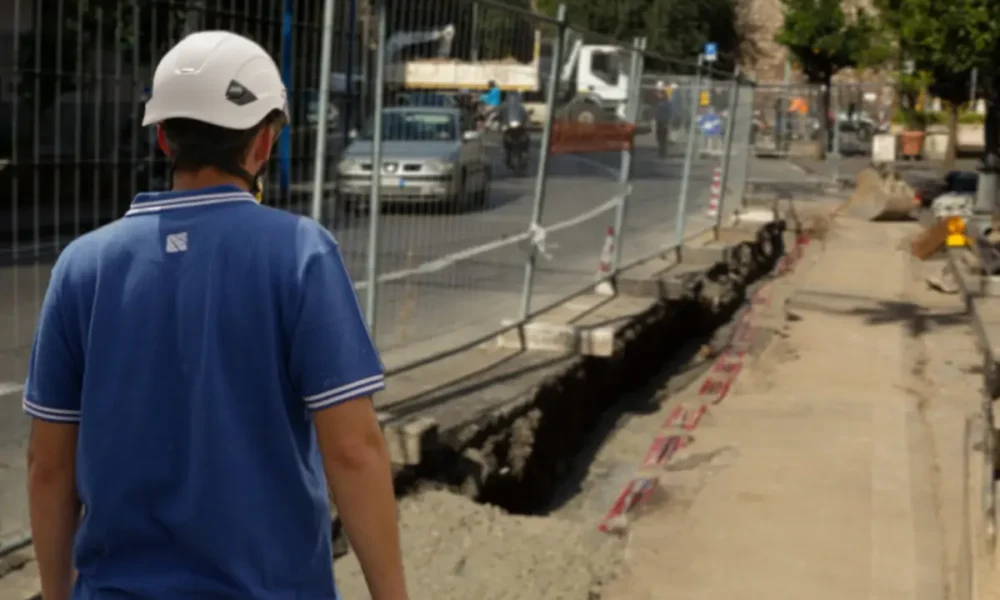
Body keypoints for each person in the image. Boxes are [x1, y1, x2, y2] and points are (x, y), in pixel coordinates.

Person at [23, 30, 409, 600]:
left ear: (162, 140)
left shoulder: (82, 266)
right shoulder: (300, 253)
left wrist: (58, 593)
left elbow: (48, 467)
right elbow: (353, 451)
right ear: (263, 144)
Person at [655, 85, 673, 158]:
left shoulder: (666, 102)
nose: (658, 95)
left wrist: (667, 121)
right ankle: (661, 152)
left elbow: (668, 112)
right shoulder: (660, 102)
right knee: (660, 138)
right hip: (659, 121)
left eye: (659, 94)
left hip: (664, 122)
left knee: (663, 138)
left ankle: (662, 153)